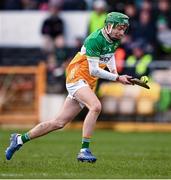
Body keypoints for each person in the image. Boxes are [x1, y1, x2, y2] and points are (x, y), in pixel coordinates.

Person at [5, 12, 133, 163]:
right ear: (109, 26)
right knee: (96, 106)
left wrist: (115, 73)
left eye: (124, 29)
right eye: (119, 28)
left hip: (88, 82)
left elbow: (109, 55)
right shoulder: (94, 39)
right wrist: (117, 78)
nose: (121, 32)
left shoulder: (114, 39)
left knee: (58, 123)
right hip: (77, 77)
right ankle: (84, 150)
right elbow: (94, 70)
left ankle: (19, 139)